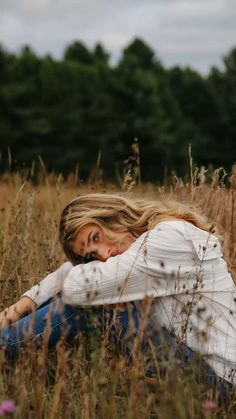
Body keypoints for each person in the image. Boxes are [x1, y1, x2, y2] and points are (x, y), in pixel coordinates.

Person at [0, 193, 236, 391]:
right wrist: (22, 304)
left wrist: (29, 302)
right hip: (200, 367)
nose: (104, 254)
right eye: (92, 255)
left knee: (96, 302)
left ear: (113, 215)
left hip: (221, 383)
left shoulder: (167, 238)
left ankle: (4, 346)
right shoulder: (147, 243)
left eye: (96, 237)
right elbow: (75, 274)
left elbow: (76, 286)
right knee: (98, 293)